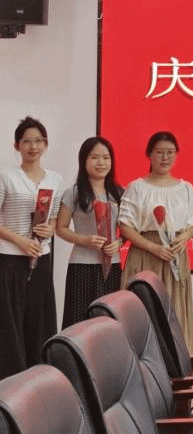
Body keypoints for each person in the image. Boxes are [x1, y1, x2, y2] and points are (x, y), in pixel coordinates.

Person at [119, 131, 193, 353]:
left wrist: (184, 237)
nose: (165, 157)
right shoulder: (137, 187)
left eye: (170, 152)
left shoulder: (185, 188)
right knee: (142, 311)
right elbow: (125, 226)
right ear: (149, 155)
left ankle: (175, 364)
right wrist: (153, 247)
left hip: (174, 256)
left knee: (174, 314)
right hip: (145, 255)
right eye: (160, 152)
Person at [0, 116, 62, 380]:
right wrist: (19, 240)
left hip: (42, 257)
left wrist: (50, 229)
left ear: (45, 144)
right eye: (27, 141)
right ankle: (11, 381)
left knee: (39, 319)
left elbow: (55, 217)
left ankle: (38, 379)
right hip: (10, 258)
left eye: (38, 141)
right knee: (10, 322)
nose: (33, 146)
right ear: (17, 146)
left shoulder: (55, 179)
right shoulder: (6, 177)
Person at [56, 136, 124, 327]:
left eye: (106, 157)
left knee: (109, 320)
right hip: (82, 264)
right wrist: (84, 240)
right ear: (84, 160)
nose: (101, 163)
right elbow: (60, 228)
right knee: (80, 319)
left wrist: (119, 243)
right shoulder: (74, 192)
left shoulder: (120, 193)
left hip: (113, 266)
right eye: (94, 157)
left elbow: (127, 231)